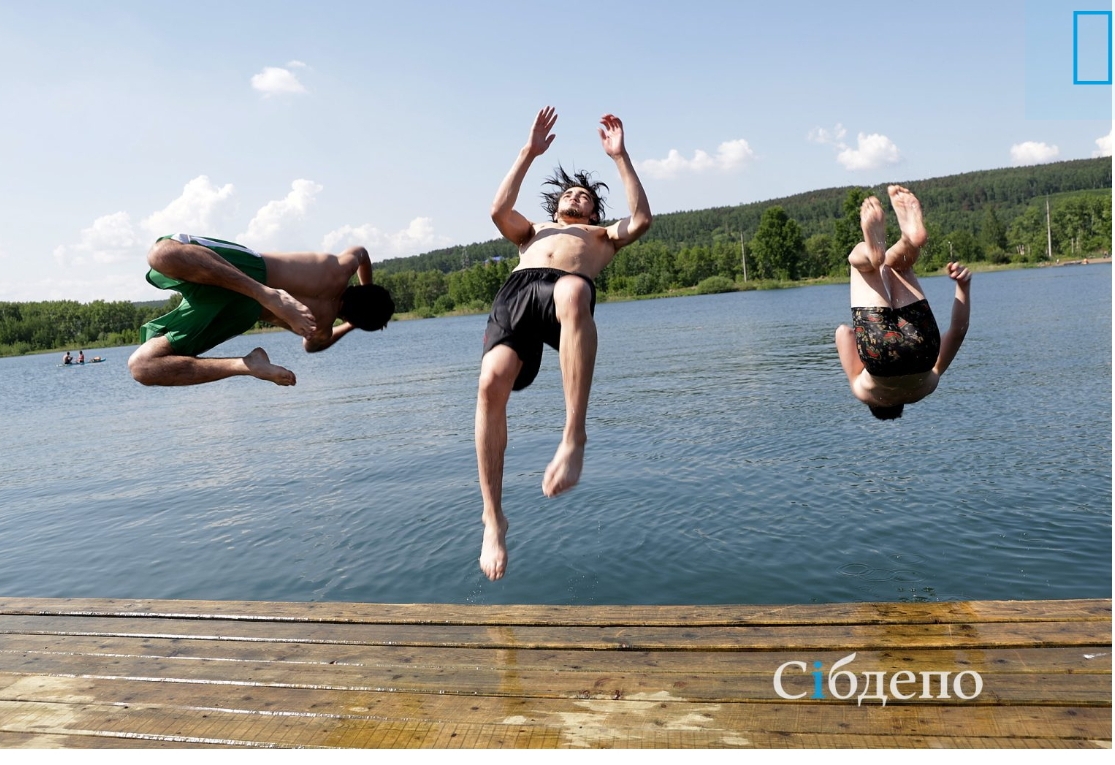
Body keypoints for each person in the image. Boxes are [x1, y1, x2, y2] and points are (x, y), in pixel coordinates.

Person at [476, 107, 652, 580]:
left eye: (586, 196)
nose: (577, 197)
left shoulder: (602, 235)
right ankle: (493, 518)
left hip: (563, 295)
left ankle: (573, 435)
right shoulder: (532, 231)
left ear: (595, 212)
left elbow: (640, 218)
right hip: (518, 294)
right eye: (570, 193)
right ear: (557, 206)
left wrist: (620, 157)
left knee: (574, 290)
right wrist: (528, 152)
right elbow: (497, 210)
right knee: (491, 383)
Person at [128, 234, 394, 387]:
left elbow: (362, 253)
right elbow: (311, 347)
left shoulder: (340, 267)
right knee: (142, 367)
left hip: (248, 272)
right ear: (351, 318)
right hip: (244, 311)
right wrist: (351, 325)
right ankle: (244, 365)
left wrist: (368, 288)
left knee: (161, 254)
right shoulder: (320, 326)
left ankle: (265, 293)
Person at [834, 186, 972, 420]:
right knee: (863, 266)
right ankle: (871, 253)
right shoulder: (862, 391)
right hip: (880, 357)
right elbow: (844, 333)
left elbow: (958, 332)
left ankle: (910, 241)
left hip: (923, 351)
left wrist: (963, 286)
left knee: (900, 266)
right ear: (874, 404)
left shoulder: (928, 386)